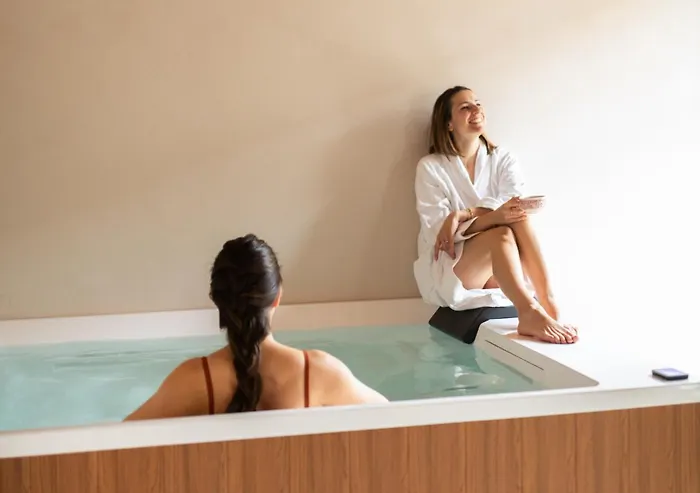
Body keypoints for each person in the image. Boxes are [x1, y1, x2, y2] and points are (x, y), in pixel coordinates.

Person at [125, 234, 387, 420]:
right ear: (277, 297)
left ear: (218, 301)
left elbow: (120, 439)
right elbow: (392, 417)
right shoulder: (318, 373)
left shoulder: (194, 380)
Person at [413, 86, 578, 345]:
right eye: (465, 107)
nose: (476, 109)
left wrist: (464, 214)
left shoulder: (503, 159)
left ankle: (548, 305)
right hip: (455, 266)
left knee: (517, 216)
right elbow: (439, 231)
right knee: (501, 231)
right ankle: (529, 311)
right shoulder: (431, 167)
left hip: (500, 266)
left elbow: (512, 205)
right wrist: (491, 218)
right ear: (448, 123)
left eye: (477, 103)